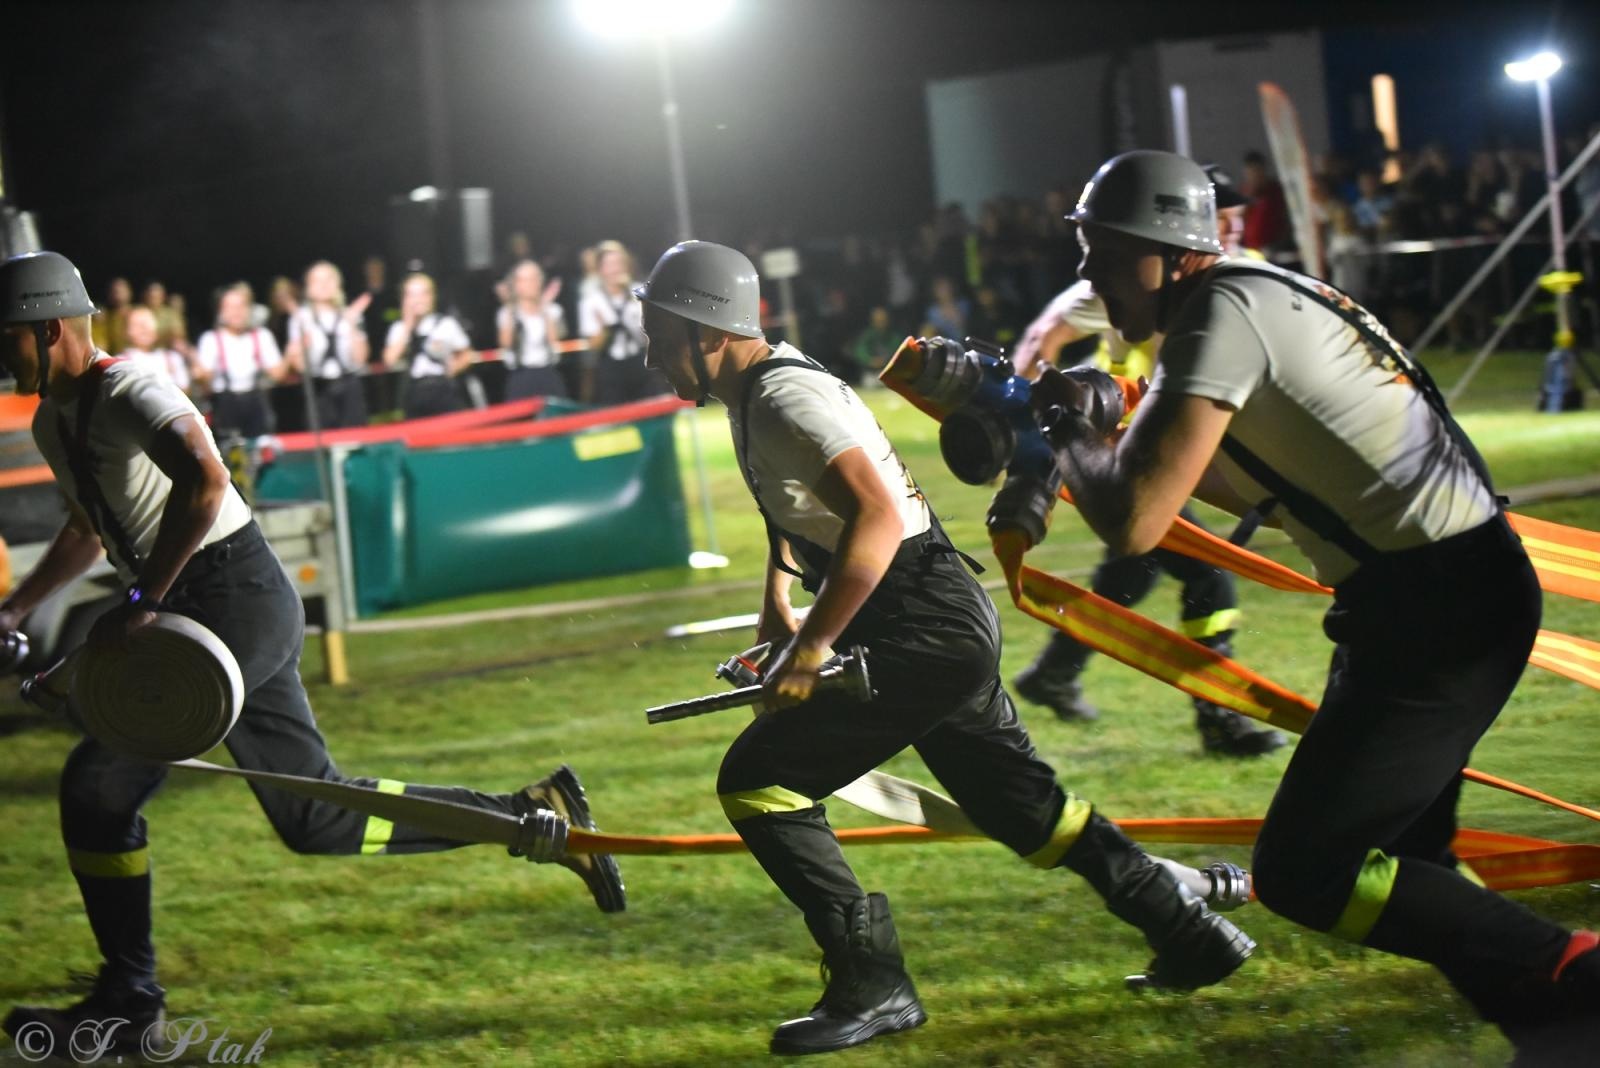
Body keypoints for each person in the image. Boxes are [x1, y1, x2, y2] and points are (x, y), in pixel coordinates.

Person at [1037, 150, 1598, 1062]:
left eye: (1102, 250)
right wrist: (1103, 437)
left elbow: (1137, 520)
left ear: (1167, 249)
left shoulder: (1220, 315)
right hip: (1434, 594)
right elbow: (1221, 483)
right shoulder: (1253, 293)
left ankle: (1576, 974)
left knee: (1305, 871)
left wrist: (1063, 431)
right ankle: (1562, 1034)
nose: (1086, 272)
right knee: (1411, 865)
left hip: (1437, 610)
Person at [635, 240, 1253, 1056]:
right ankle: (1191, 932)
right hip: (930, 618)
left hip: (922, 623)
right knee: (1025, 814)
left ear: (707, 333)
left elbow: (879, 519)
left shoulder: (783, 398)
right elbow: (796, 513)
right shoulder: (760, 392)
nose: (651, 356)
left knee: (759, 783)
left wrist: (816, 646)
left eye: (659, 334)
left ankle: (874, 987)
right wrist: (778, 610)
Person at [0, 251, 624, 1056]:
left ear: (49, 329)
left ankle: (128, 998)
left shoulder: (127, 388)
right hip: (203, 607)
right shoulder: (55, 418)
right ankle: (531, 815)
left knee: (96, 786)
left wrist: (145, 599)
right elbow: (88, 530)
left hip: (234, 597)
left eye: (6, 336)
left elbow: (206, 478)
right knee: (314, 818)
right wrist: (17, 605)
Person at [1008, 165, 1284, 757]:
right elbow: (1039, 340)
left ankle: (1052, 673)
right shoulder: (1115, 280)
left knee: (1130, 572)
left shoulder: (1232, 274)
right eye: (1222, 216)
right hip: (1143, 449)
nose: (1230, 227)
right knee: (1211, 576)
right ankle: (1220, 718)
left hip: (1182, 446)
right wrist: (1038, 416)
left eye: (1234, 217)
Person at [193, 282, 287, 439]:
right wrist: (199, 374)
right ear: (221, 311)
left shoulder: (262, 336)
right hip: (225, 404)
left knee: (262, 446)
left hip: (256, 402)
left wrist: (290, 355)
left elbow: (278, 374)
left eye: (241, 306)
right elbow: (205, 378)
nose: (237, 312)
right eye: (230, 307)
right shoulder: (210, 339)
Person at [285, 260, 372, 429]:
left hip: (349, 385)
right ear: (308, 288)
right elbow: (299, 365)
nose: (324, 285)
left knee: (355, 438)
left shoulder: (351, 314)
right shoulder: (301, 318)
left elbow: (361, 360)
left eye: (329, 279)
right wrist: (299, 349)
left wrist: (353, 326)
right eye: (317, 281)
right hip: (319, 389)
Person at [381, 272, 474, 420]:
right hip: (414, 389)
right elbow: (389, 360)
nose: (418, 300)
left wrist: (454, 368)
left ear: (432, 297)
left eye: (423, 294)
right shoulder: (399, 328)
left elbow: (466, 353)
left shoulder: (446, 324)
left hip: (443, 387)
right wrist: (408, 326)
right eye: (412, 295)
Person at [578, 240, 660, 405]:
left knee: (654, 416)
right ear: (600, 269)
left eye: (619, 263)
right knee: (617, 420)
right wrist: (605, 329)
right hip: (611, 367)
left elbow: (654, 336)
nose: (616, 269)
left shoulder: (640, 293)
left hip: (641, 362)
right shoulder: (591, 301)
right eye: (610, 264)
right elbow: (593, 346)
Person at [496, 259, 567, 400]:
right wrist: (511, 308)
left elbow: (554, 340)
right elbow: (506, 343)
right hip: (521, 375)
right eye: (525, 280)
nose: (531, 284)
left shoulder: (553, 310)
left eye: (535, 278)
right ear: (516, 284)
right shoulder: (507, 312)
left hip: (547, 372)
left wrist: (545, 308)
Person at [121, 305, 194, 396]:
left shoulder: (172, 358)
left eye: (148, 323)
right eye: (138, 325)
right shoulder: (122, 362)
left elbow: (185, 389)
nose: (144, 328)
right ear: (126, 331)